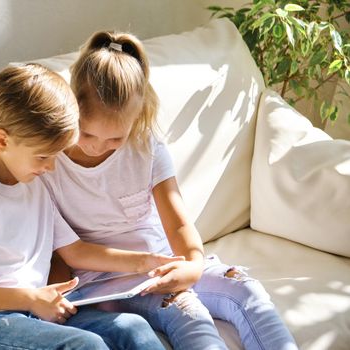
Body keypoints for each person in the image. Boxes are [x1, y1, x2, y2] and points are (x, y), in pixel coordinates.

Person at [42, 31, 299, 350]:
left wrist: (192, 264)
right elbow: (70, 251)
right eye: (87, 133)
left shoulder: (145, 146)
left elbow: (177, 223)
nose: (97, 147)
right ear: (70, 107)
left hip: (162, 262)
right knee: (184, 309)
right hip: (106, 280)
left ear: (137, 118)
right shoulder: (47, 164)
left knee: (246, 288)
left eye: (114, 139)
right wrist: (146, 266)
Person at [0, 63, 176, 350]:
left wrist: (145, 262)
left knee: (133, 328)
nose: (51, 166)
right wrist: (31, 299)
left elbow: (75, 250)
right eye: (44, 156)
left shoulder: (34, 183)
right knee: (86, 346)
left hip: (38, 310)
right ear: (2, 140)